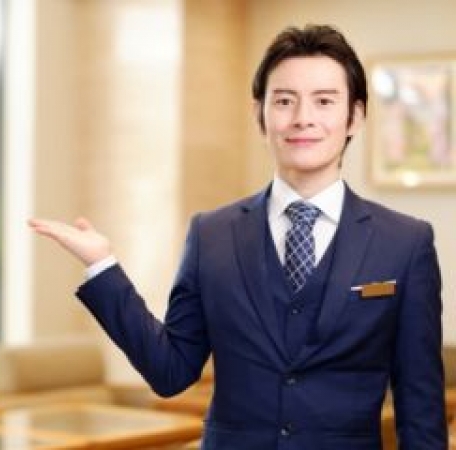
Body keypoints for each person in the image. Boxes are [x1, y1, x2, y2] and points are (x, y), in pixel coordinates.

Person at [29, 24, 447, 449]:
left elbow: (421, 406)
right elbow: (170, 371)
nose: (303, 118)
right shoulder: (210, 235)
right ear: (260, 114)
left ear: (354, 116)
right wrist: (102, 267)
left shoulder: (405, 243)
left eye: (324, 101)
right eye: (284, 101)